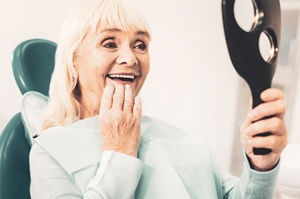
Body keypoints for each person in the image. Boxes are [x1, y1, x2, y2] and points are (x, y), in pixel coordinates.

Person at [29, 0, 287, 198]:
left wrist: (261, 166)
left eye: (140, 45)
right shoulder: (50, 151)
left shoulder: (185, 141)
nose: (130, 58)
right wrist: (119, 153)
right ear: (73, 59)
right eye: (109, 43)